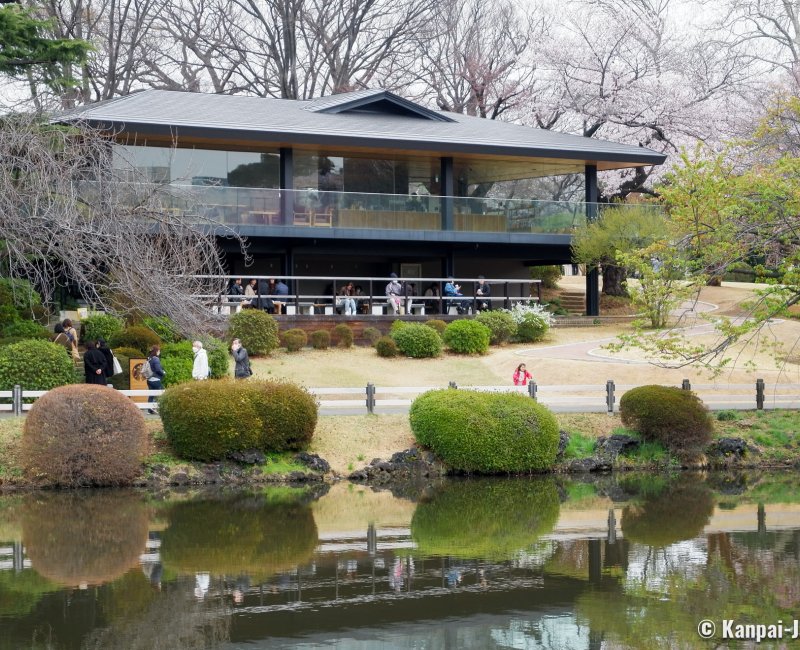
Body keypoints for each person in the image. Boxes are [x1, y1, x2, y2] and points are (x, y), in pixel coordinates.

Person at [146, 345, 165, 413]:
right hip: (155, 379)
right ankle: (159, 409)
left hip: (149, 380)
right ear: (156, 351)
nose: (159, 352)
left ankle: (150, 410)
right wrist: (163, 373)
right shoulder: (156, 359)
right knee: (162, 393)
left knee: (151, 395)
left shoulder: (149, 358)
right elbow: (158, 369)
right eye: (159, 351)